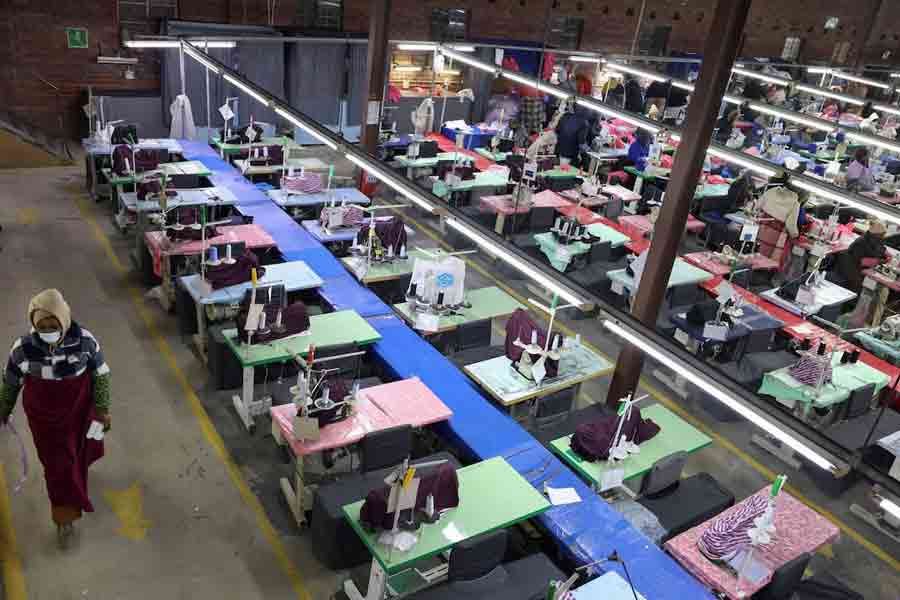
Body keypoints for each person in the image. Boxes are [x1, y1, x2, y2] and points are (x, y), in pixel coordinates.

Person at [0, 289, 110, 549]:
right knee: (57, 467)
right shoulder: (23, 349)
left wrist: (102, 408)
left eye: (53, 324)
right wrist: (3, 408)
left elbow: (101, 374)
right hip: (43, 419)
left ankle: (76, 476)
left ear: (64, 319)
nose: (48, 329)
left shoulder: (85, 342)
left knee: (77, 453)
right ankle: (64, 518)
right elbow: (11, 381)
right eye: (41, 325)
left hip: (78, 412)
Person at [831, 221, 887, 293]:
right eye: (882, 234)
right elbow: (862, 261)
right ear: (877, 234)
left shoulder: (873, 240)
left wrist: (884, 254)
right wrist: (879, 261)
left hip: (856, 273)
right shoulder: (861, 242)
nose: (883, 236)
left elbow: (879, 250)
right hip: (849, 274)